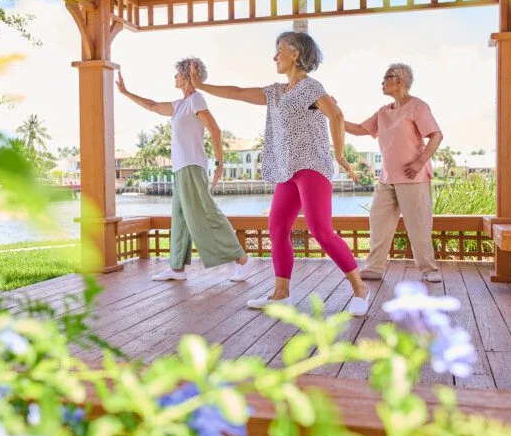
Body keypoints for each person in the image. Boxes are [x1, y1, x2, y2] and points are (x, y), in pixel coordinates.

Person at [190, 31, 370, 315]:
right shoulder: (275, 92)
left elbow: (336, 115)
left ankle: (360, 288)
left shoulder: (310, 88)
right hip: (288, 169)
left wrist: (339, 155)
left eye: (280, 51)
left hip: (311, 165)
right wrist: (202, 85)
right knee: (276, 228)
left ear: (295, 54)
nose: (275, 57)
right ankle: (281, 293)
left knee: (320, 230)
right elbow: (237, 92)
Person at [116, 57, 256, 282]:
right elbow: (152, 105)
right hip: (181, 168)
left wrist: (220, 163)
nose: (174, 77)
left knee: (207, 213)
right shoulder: (179, 105)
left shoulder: (196, 99)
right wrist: (126, 92)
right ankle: (177, 268)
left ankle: (241, 258)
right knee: (180, 217)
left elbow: (215, 130)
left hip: (192, 165)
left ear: (187, 76)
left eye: (177, 74)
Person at [344, 63, 444, 282]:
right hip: (387, 178)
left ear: (399, 80)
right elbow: (360, 129)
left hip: (413, 176)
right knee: (378, 223)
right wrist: (333, 114)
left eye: (385, 78)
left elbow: (436, 136)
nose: (382, 82)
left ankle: (429, 268)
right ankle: (374, 268)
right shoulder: (383, 112)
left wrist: (420, 161)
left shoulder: (418, 107)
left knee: (418, 225)